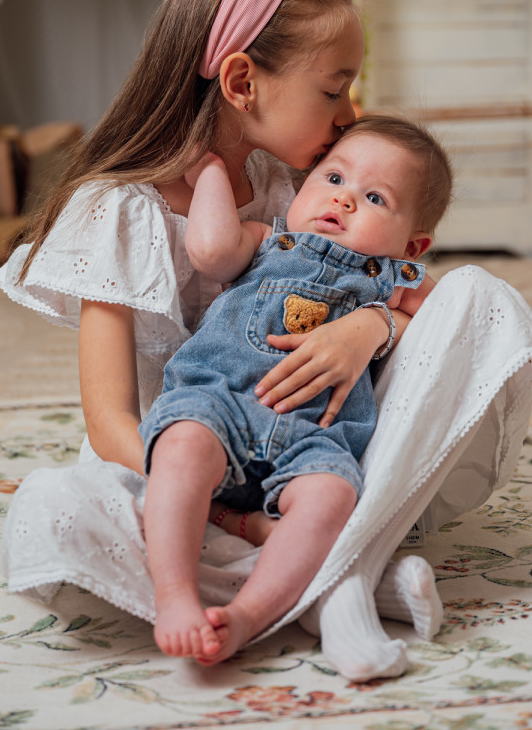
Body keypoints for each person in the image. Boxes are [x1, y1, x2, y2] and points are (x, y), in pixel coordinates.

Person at [0, 0, 532, 681]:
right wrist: (223, 506)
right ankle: (334, 579)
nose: (350, 115)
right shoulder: (118, 210)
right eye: (334, 88)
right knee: (58, 508)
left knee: (480, 295)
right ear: (244, 82)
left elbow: (420, 298)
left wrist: (367, 329)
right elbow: (112, 423)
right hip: (183, 452)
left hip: (310, 440)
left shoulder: (298, 188)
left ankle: (303, 560)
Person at [141, 115, 452, 663]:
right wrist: (210, 169)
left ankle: (247, 617)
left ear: (413, 243)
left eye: (375, 197)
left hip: (316, 436)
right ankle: (174, 595)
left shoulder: (395, 279)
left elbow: (458, 322)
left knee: (333, 498)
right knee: (180, 445)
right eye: (334, 179)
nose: (346, 200)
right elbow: (212, 250)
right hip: (221, 406)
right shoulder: (269, 238)